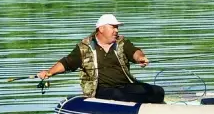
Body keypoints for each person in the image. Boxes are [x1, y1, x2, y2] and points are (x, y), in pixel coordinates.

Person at [36, 14, 165, 104]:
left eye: (117, 27)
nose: (116, 30)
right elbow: (67, 62)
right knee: (117, 96)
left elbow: (134, 52)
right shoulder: (84, 47)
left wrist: (140, 58)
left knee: (158, 91)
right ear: (101, 29)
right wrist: (50, 72)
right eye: (113, 27)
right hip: (100, 89)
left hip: (126, 86)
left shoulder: (122, 43)